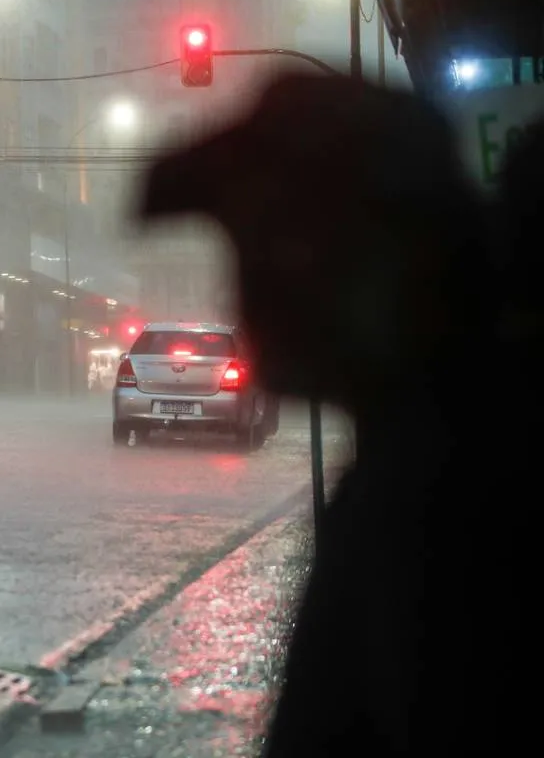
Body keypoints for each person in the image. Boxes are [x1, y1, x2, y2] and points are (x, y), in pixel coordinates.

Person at [136, 71, 530, 755]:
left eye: (288, 241)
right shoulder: (416, 455)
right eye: (244, 244)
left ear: (405, 253)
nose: (253, 292)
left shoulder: (454, 497)